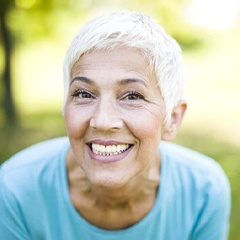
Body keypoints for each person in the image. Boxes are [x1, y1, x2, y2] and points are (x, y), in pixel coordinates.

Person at [0, 10, 231, 239]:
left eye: (132, 96)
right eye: (83, 93)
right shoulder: (15, 191)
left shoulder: (204, 192)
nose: (102, 121)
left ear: (172, 119)